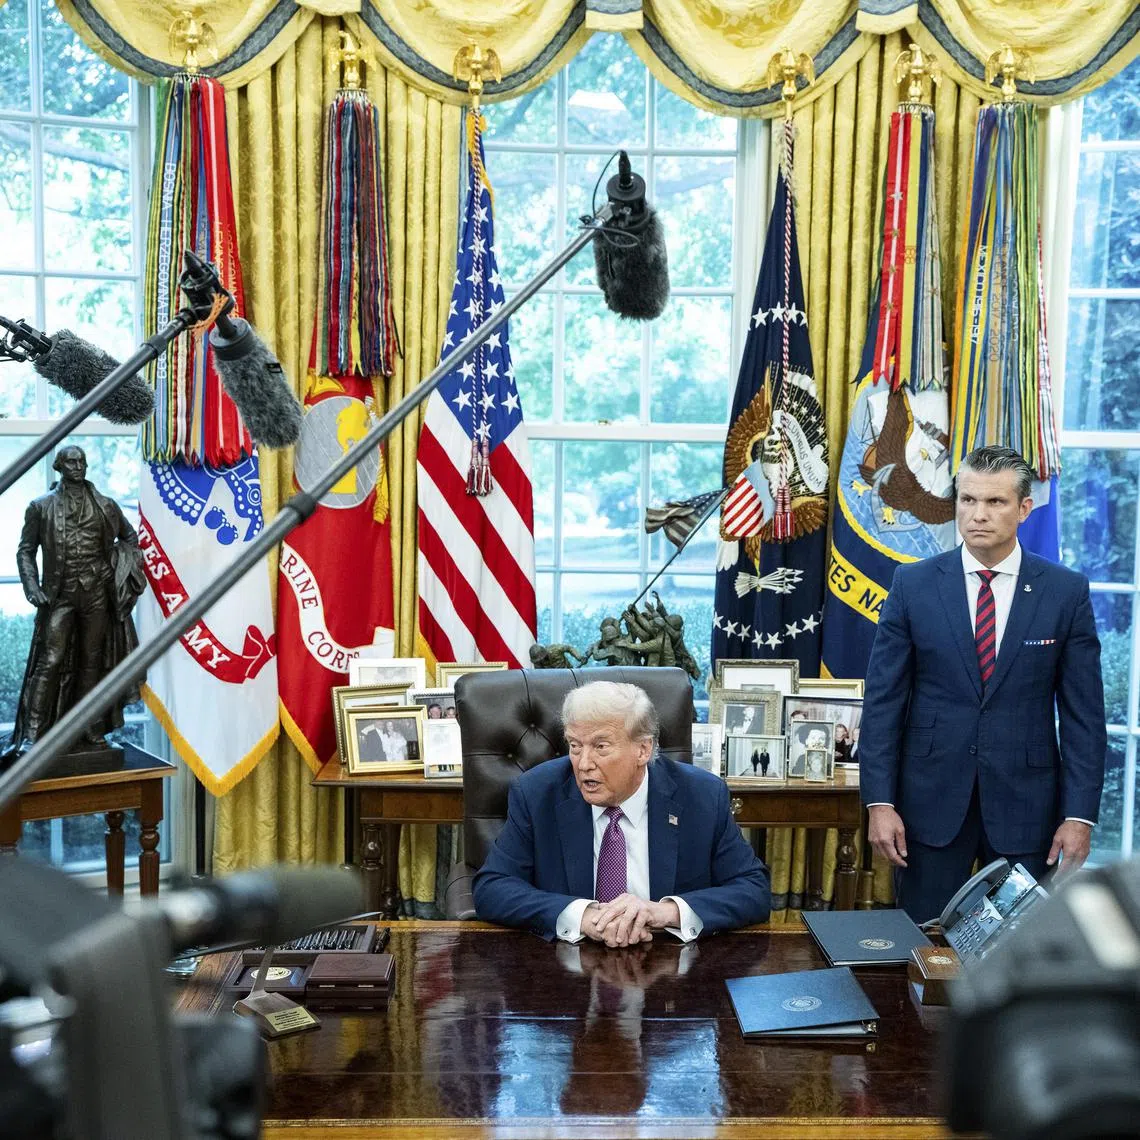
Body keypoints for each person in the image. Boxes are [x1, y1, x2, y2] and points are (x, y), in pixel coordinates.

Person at [860, 446, 1106, 923]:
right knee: (923, 952)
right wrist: (880, 802)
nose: (977, 515)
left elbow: (1083, 718)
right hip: (926, 810)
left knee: (1016, 961)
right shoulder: (912, 585)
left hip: (1029, 810)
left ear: (1024, 508)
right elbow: (884, 705)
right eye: (967, 500)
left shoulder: (1065, 591)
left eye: (994, 503)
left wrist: (1079, 816)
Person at [473, 680, 771, 943]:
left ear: (643, 750)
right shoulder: (537, 793)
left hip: (669, 972)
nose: (583, 763)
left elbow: (753, 890)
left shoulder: (702, 797)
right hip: (565, 972)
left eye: (601, 746)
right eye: (575, 746)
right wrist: (583, 916)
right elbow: (493, 888)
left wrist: (664, 912)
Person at [9, 445, 144, 754]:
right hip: (60, 595)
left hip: (96, 594)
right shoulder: (40, 507)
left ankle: (90, 729)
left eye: (82, 461)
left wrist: (117, 567)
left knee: (91, 662)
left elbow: (130, 538)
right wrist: (32, 588)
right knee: (50, 661)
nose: (78, 466)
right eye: (71, 461)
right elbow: (26, 550)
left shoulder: (106, 505)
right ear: (59, 466)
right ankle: (32, 734)